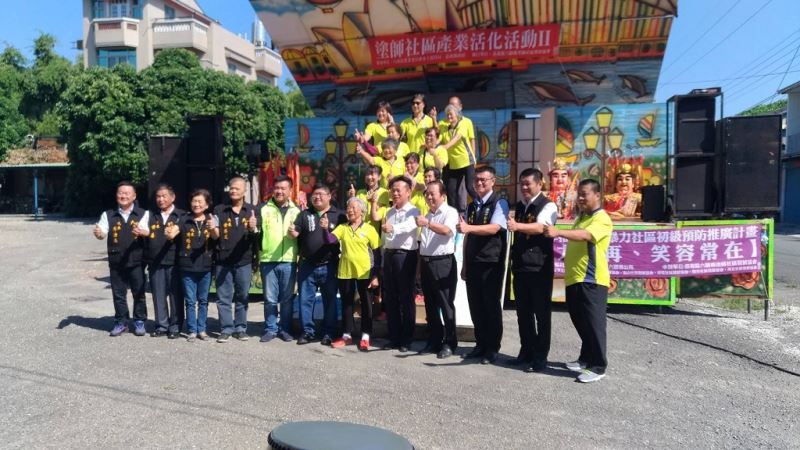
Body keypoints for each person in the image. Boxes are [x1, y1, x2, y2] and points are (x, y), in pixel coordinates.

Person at [544, 179, 613, 383]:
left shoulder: (601, 218)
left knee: (593, 323)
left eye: (585, 194)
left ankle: (598, 366)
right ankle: (585, 359)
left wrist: (558, 232)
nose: (580, 198)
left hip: (591, 279)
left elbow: (586, 235)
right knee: (580, 321)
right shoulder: (582, 216)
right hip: (575, 277)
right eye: (579, 194)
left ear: (597, 195)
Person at [457, 166, 509, 364]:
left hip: (491, 262)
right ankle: (480, 344)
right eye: (476, 180)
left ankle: (492, 348)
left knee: (491, 306)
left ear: (493, 181)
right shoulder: (472, 206)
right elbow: (467, 236)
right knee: (476, 305)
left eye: (483, 180)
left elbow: (495, 228)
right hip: (473, 262)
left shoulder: (500, 202)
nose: (479, 183)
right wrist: (464, 264)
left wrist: (468, 228)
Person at [507, 169, 557, 372]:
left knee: (541, 314)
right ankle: (526, 351)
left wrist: (517, 226)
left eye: (528, 184)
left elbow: (541, 227)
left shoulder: (548, 205)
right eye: (522, 184)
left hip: (539, 267)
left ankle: (540, 356)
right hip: (521, 266)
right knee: (523, 313)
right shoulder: (521, 206)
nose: (524, 188)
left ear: (539, 184)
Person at [291, 184, 346, 346]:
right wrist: (292, 232)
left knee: (330, 300)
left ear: (329, 196)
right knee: (305, 300)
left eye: (321, 194)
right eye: (314, 194)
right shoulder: (305, 214)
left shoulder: (339, 215)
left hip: (330, 265)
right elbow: (296, 231)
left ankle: (329, 332)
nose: (317, 197)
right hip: (307, 264)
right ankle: (308, 332)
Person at [93, 181, 149, 337]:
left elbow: (147, 231)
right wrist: (99, 234)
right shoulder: (108, 214)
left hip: (137, 260)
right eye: (120, 193)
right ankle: (121, 322)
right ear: (116, 195)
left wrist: (143, 232)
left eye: (127, 193)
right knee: (118, 294)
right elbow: (102, 232)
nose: (123, 196)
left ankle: (139, 321)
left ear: (134, 196)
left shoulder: (143, 214)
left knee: (139, 292)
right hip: (116, 260)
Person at [415, 180, 459, 359]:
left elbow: (447, 231)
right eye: (427, 194)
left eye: (432, 194)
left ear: (443, 196)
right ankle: (434, 339)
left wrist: (427, 223)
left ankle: (450, 342)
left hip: (443, 263)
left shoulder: (450, 212)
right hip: (427, 263)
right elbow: (423, 244)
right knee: (430, 305)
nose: (429, 197)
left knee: (446, 304)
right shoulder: (428, 214)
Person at [330, 197, 381, 350]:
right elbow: (329, 240)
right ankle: (347, 335)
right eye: (348, 207)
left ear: (362, 211)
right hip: (345, 271)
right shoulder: (342, 227)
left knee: (366, 304)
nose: (349, 210)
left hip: (365, 272)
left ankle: (366, 335)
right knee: (347, 303)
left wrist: (375, 275)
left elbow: (377, 254)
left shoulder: (370, 229)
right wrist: (325, 228)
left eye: (353, 207)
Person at [212, 177, 258, 343]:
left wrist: (253, 227)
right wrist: (212, 229)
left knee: (242, 296)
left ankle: (240, 328)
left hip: (244, 260)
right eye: (231, 188)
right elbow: (215, 235)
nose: (233, 191)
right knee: (223, 297)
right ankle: (226, 328)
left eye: (237, 188)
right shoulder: (220, 209)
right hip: (223, 260)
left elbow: (257, 234)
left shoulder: (252, 210)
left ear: (244, 191)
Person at [256, 175, 301, 343]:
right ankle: (270, 329)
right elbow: (256, 233)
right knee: (269, 299)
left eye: (283, 188)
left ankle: (285, 329)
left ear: (290, 190)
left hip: (289, 260)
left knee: (287, 299)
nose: (279, 191)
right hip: (268, 260)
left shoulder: (297, 211)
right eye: (277, 188)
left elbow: (302, 236)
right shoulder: (263, 209)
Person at [380, 176, 420, 352]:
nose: (395, 193)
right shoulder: (389, 212)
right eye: (393, 190)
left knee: (406, 297)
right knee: (390, 297)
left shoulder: (414, 211)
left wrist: (393, 228)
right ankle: (394, 336)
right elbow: (386, 237)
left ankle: (406, 338)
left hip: (405, 256)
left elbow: (409, 227)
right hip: (390, 255)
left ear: (408, 192)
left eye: (398, 190)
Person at [171, 189, 218, 342]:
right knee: (190, 301)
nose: (196, 204)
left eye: (200, 202)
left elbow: (216, 236)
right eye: (194, 201)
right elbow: (172, 233)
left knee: (203, 300)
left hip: (205, 266)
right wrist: (169, 233)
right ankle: (192, 330)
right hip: (187, 266)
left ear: (207, 205)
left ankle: (202, 330)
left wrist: (212, 227)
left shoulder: (211, 219)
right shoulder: (184, 219)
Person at [142, 183, 184, 339]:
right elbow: (143, 230)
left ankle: (175, 326)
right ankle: (161, 325)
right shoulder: (150, 215)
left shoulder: (181, 215)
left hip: (175, 262)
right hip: (156, 262)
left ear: (172, 198)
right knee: (158, 295)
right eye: (158, 197)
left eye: (164, 196)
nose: (160, 199)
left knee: (175, 295)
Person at [440, 104, 479, 214]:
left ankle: (481, 205)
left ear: (457, 114)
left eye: (451, 114)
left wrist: (445, 147)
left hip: (467, 161)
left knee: (469, 187)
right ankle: (454, 214)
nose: (449, 117)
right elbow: (438, 139)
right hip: (454, 164)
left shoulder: (462, 124)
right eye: (447, 115)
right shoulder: (445, 128)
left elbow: (456, 138)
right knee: (451, 190)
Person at [348, 165, 390, 236]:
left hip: (375, 233)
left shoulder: (384, 193)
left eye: (372, 174)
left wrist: (372, 202)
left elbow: (379, 213)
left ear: (379, 177)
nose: (369, 177)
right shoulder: (360, 192)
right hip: (359, 231)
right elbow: (354, 211)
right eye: (367, 174)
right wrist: (352, 197)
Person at [432, 96, 476, 161]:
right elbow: (437, 135)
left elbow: (471, 140)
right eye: (449, 105)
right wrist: (434, 119)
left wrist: (473, 157)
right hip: (447, 159)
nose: (451, 107)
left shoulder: (467, 122)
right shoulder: (442, 122)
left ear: (460, 107)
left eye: (454, 105)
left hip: (463, 159)